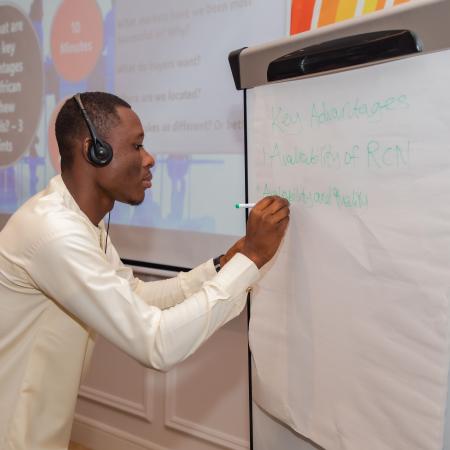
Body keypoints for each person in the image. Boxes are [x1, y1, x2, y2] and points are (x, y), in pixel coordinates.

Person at [0, 92, 290, 450]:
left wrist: (222, 266)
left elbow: (135, 295)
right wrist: (253, 258)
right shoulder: (54, 232)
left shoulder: (77, 223)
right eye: (136, 146)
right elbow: (157, 343)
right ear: (95, 151)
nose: (149, 158)